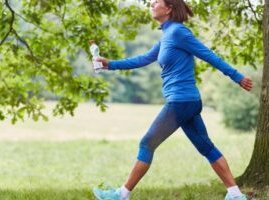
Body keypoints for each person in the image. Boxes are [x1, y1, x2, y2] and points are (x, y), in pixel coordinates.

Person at [92, 0, 253, 200]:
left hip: (181, 102)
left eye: (156, 1)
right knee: (206, 147)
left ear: (168, 8)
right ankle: (235, 194)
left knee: (147, 143)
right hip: (187, 102)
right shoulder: (167, 35)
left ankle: (121, 195)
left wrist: (237, 77)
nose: (151, 3)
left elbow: (209, 55)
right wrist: (110, 64)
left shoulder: (179, 32)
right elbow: (143, 59)